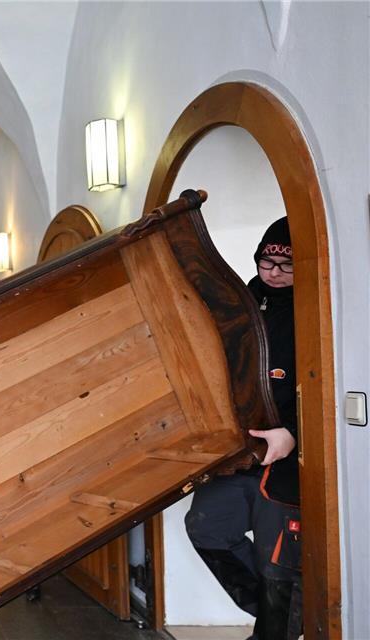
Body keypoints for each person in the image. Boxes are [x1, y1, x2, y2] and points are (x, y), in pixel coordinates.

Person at [185, 217, 301, 640]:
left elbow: (330, 383)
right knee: (206, 526)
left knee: (279, 564)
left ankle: (276, 628)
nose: (273, 271)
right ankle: (281, 620)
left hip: (289, 462)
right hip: (237, 453)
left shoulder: (317, 306)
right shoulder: (241, 301)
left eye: (285, 265)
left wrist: (293, 433)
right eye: (266, 261)